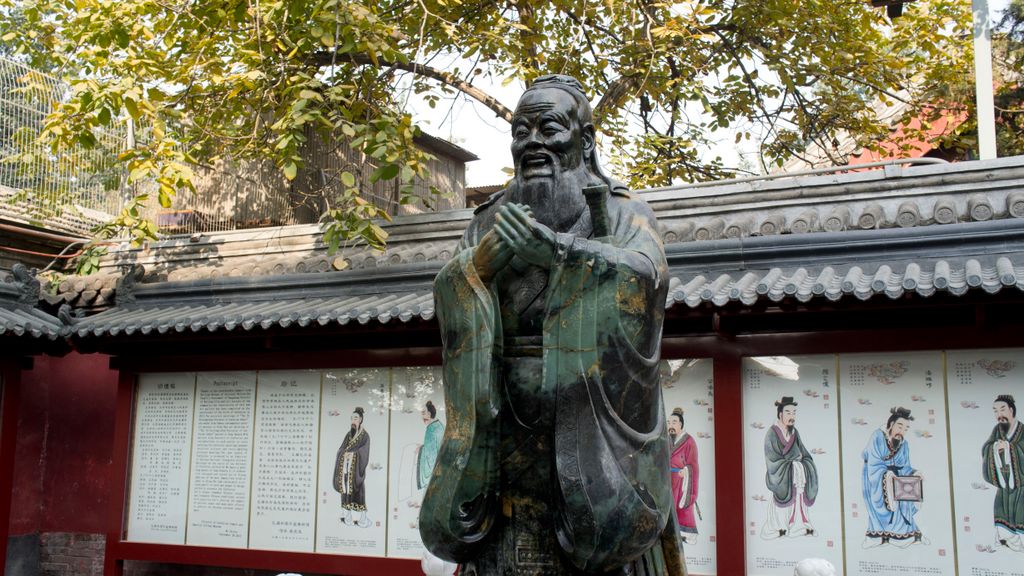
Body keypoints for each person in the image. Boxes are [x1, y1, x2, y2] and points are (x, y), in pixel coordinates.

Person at [420, 75, 683, 574]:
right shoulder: (486, 223)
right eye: (522, 132)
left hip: (597, 458)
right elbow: (449, 294)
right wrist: (474, 269)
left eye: (549, 128)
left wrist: (560, 253)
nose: (533, 143)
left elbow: (645, 278)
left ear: (584, 140)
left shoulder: (625, 214)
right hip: (504, 458)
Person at [862, 407, 922, 547]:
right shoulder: (877, 436)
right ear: (890, 424)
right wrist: (887, 475)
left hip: (896, 478)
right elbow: (874, 461)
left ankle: (902, 535)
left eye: (905, 429)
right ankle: (878, 536)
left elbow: (905, 466)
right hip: (876, 476)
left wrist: (914, 473)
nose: (902, 431)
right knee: (882, 504)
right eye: (899, 426)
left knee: (905, 494)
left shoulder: (904, 444)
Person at [762, 396, 818, 539]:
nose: (792, 416)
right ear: (780, 414)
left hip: (798, 478)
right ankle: (781, 527)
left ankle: (799, 524)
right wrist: (791, 466)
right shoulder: (772, 434)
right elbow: (772, 461)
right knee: (780, 514)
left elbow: (804, 454)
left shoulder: (795, 433)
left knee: (799, 498)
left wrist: (804, 465)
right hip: (783, 479)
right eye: (788, 412)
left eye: (794, 413)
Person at [983, 394, 1024, 551]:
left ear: (1011, 410)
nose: (999, 414)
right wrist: (993, 448)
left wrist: (1010, 448)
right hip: (1004, 483)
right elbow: (986, 448)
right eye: (995, 411)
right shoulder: (997, 430)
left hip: (1021, 484)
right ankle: (1007, 539)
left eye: (1002, 409)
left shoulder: (1022, 430)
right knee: (1001, 510)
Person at [334, 407, 370, 528]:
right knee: (345, 494)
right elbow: (340, 449)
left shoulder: (365, 436)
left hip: (356, 473)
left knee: (359, 494)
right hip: (346, 470)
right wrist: (344, 454)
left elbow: (364, 452)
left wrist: (353, 454)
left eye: (356, 418)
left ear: (360, 420)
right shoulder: (348, 435)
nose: (353, 421)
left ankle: (363, 519)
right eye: (352, 418)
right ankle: (348, 517)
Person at [668, 407, 699, 543]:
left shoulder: (689, 441)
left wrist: (686, 471)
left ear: (681, 424)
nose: (671, 426)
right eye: (669, 423)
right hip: (667, 479)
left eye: (674, 422)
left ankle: (685, 533)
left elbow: (693, 464)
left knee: (682, 508)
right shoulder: (666, 440)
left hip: (682, 480)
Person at [417, 400, 444, 490]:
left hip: (434, 470)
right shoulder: (440, 425)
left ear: (429, 414)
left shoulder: (431, 429)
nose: (422, 417)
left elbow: (431, 454)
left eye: (423, 413)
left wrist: (421, 450)